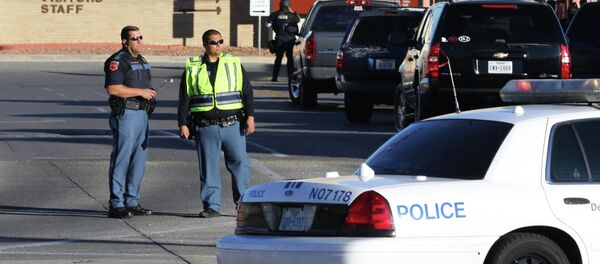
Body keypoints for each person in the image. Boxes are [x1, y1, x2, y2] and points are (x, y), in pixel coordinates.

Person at [177, 29, 255, 218]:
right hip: (205, 126)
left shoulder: (233, 63)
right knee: (208, 167)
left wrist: (250, 117)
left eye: (221, 41)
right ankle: (211, 205)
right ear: (205, 45)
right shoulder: (193, 67)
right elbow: (184, 98)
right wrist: (183, 123)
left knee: (239, 164)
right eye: (214, 42)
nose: (218, 45)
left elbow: (247, 91)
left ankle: (243, 204)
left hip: (233, 125)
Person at [104, 25, 155, 219]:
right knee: (121, 158)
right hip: (126, 113)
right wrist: (141, 92)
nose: (140, 41)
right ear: (125, 41)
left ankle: (132, 201)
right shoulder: (117, 61)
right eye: (135, 38)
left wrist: (148, 95)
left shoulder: (141, 59)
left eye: (141, 37)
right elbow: (114, 89)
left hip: (142, 114)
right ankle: (116, 203)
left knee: (138, 160)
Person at [266, 0, 301, 82]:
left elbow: (268, 25)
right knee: (290, 58)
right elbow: (298, 20)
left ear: (280, 5)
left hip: (279, 39)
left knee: (278, 58)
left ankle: (274, 78)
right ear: (288, 6)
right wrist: (293, 12)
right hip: (290, 40)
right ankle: (290, 77)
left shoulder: (275, 14)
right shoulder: (292, 15)